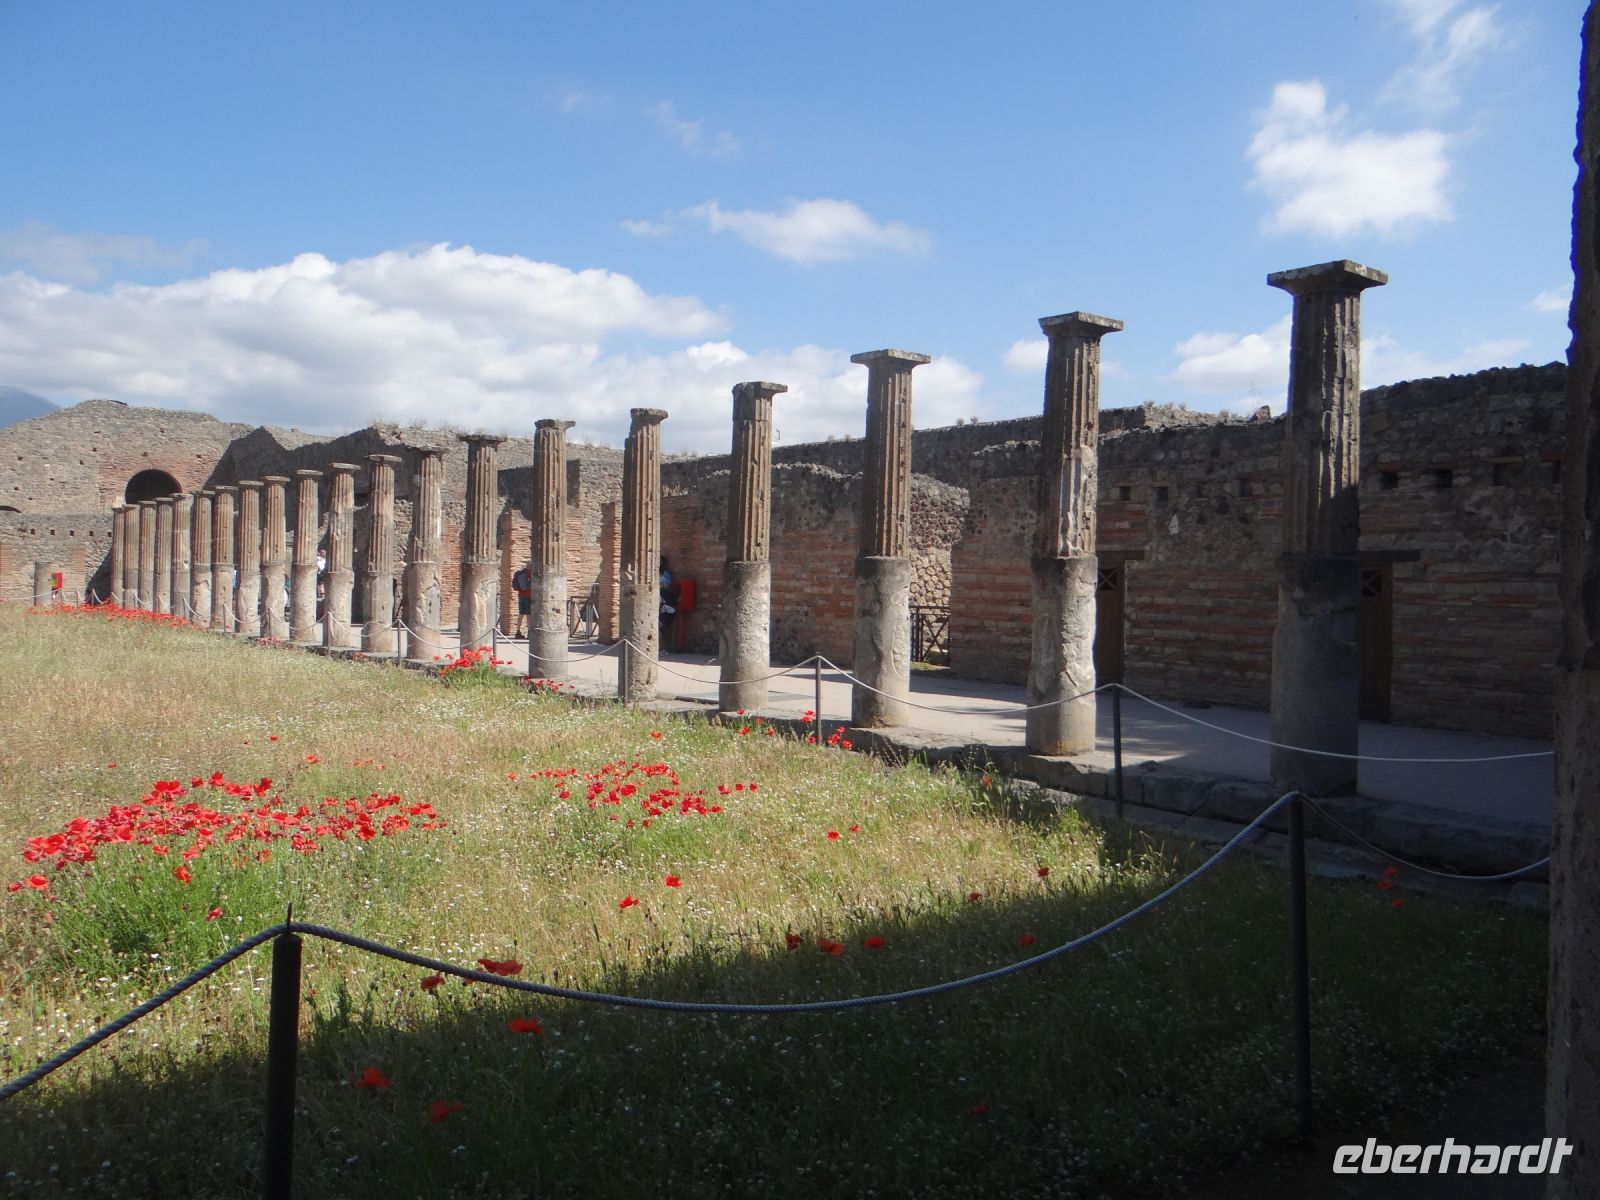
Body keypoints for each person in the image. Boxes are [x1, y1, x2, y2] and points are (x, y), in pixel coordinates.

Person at [512, 564, 532, 638]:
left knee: (521, 614)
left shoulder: (520, 573)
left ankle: (518, 632)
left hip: (521, 596)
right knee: (528, 615)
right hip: (528, 596)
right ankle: (529, 633)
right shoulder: (530, 574)